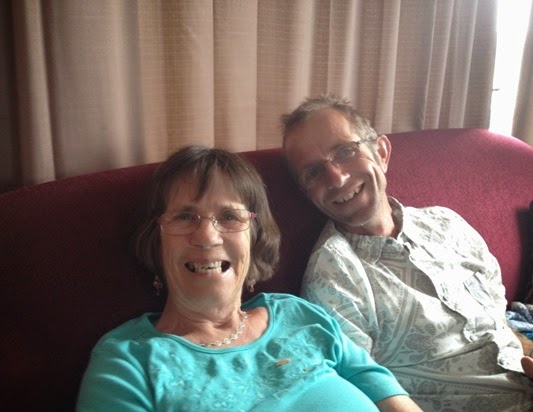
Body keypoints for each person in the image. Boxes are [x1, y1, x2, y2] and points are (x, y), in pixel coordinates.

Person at [76, 145, 421, 411]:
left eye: (229, 216)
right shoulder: (128, 361)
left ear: (254, 239)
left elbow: (395, 403)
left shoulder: (300, 315)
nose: (207, 237)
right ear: (156, 239)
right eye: (184, 217)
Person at [281, 95, 533, 411]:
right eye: (314, 172)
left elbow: (498, 315)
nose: (337, 178)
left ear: (381, 152)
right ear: (307, 194)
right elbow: (357, 394)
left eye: (345, 152)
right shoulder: (333, 280)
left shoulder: (447, 222)